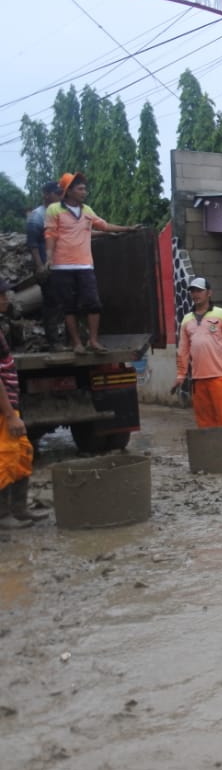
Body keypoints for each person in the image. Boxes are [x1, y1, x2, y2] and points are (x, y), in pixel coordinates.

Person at [44, 172, 144, 355]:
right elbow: (50, 235)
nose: (85, 192)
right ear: (69, 191)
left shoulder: (87, 211)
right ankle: (76, 343)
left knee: (93, 303)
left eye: (84, 188)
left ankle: (93, 340)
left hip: (84, 265)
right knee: (69, 307)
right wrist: (49, 258)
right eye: (80, 189)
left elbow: (104, 226)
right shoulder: (54, 210)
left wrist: (127, 229)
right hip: (62, 266)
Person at [0, 277, 49, 528]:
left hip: (9, 405)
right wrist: (9, 415)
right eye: (2, 295)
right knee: (6, 456)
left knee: (22, 453)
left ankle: (19, 508)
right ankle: (4, 514)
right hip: (3, 410)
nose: (6, 298)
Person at [174, 277, 222, 428]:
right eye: (193, 291)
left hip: (220, 376)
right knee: (205, 422)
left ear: (209, 293)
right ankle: (211, 451)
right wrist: (181, 375)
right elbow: (183, 350)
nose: (195, 294)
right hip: (198, 379)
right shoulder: (187, 320)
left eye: (199, 290)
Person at [26, 181, 64, 348]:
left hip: (63, 266)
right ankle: (54, 342)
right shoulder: (37, 216)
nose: (60, 196)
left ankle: (66, 339)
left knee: (64, 303)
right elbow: (33, 244)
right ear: (47, 195)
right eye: (57, 193)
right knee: (52, 304)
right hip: (47, 268)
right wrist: (40, 266)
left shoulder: (60, 213)